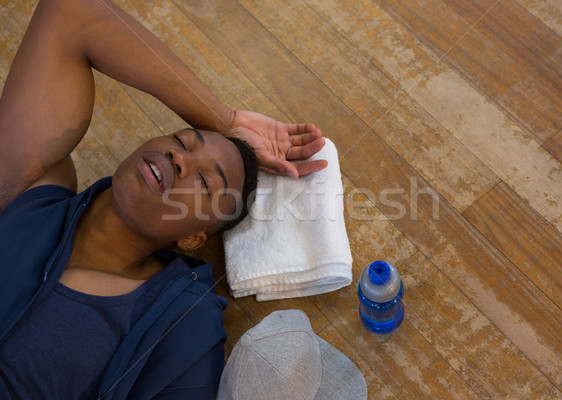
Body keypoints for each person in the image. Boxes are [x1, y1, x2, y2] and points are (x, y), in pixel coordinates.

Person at [0, 0, 327, 398]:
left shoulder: (182, 323)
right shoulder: (30, 187)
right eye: (182, 140)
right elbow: (71, 13)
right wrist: (223, 120)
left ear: (192, 238)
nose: (180, 158)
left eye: (206, 183)